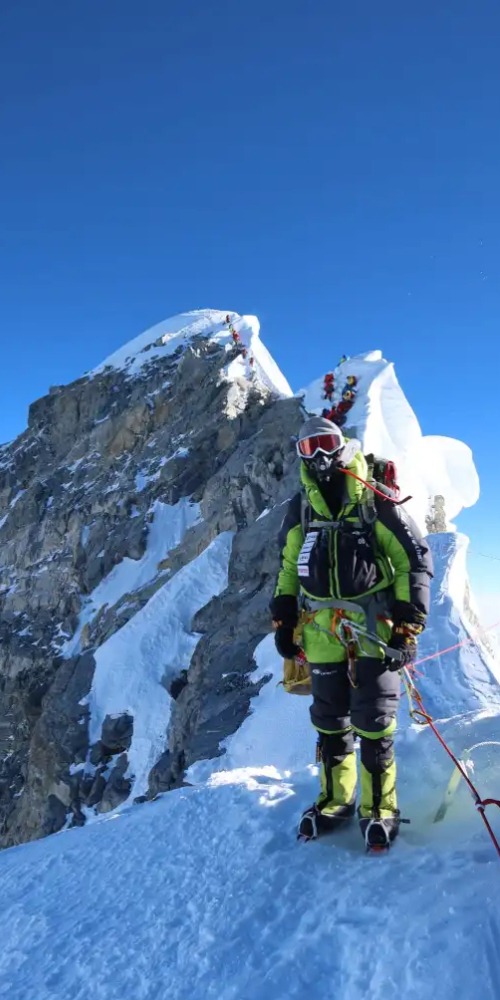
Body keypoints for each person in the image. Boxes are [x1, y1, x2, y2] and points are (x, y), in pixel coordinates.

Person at [270, 416, 433, 850]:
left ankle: (380, 808)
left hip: (373, 626)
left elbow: (412, 563)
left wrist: (406, 626)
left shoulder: (375, 500)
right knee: (329, 721)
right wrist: (284, 618)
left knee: (373, 720)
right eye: (309, 448)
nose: (320, 456)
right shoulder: (301, 508)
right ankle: (334, 801)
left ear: (343, 446)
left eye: (326, 444)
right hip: (321, 629)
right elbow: (288, 567)